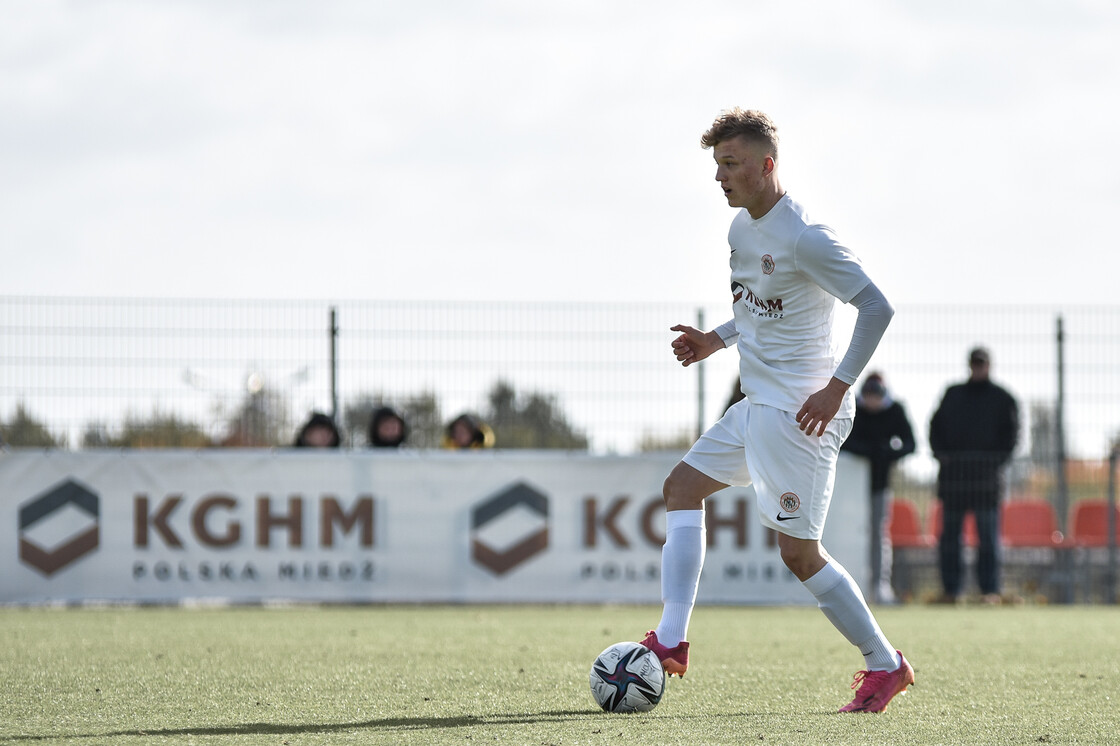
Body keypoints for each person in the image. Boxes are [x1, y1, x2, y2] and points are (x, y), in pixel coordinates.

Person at [639, 108, 914, 713]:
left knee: (798, 555)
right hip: (758, 403)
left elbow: (877, 307)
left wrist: (838, 387)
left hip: (801, 415)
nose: (720, 177)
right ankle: (671, 639)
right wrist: (715, 339)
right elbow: (763, 306)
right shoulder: (742, 228)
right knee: (680, 487)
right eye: (716, 165)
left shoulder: (806, 237)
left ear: (767, 165)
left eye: (731, 164)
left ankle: (885, 663)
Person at [929, 347, 1020, 604]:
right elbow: (934, 428)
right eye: (975, 364)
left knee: (989, 539)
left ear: (989, 365)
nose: (978, 368)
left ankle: (989, 591)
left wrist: (995, 462)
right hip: (954, 479)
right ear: (969, 365)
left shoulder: (1003, 399)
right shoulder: (953, 394)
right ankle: (951, 591)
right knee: (950, 540)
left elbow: (1012, 437)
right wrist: (943, 456)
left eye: (982, 364)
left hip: (986, 481)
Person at [840, 372, 916, 604]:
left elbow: (910, 444)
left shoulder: (894, 411)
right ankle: (850, 587)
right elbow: (843, 440)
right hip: (849, 489)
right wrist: (867, 451)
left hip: (880, 485)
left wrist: (887, 453)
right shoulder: (852, 408)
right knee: (847, 535)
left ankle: (879, 587)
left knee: (878, 535)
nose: (872, 400)